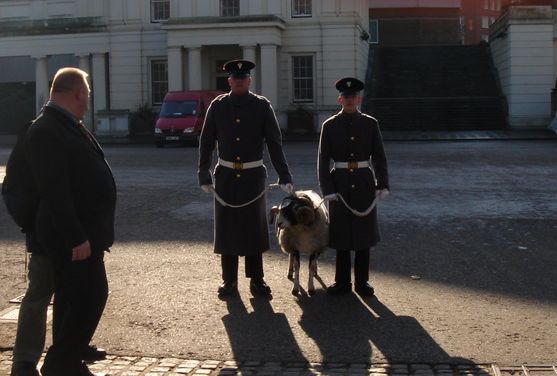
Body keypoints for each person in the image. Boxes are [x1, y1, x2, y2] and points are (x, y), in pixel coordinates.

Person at [22, 67, 116, 376]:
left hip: (86, 233)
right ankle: (60, 362)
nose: (88, 101)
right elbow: (54, 192)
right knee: (90, 297)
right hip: (72, 237)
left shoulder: (67, 125)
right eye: (87, 94)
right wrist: (76, 236)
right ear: (78, 93)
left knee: (72, 299)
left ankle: (67, 360)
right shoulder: (47, 129)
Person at [198, 59, 293, 298]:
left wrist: (284, 174)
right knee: (227, 228)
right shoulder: (218, 107)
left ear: (249, 80)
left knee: (254, 229)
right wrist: (203, 173)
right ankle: (229, 281)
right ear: (229, 80)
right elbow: (207, 142)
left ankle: (257, 280)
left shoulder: (262, 106)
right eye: (235, 78)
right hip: (226, 175)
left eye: (243, 78)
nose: (239, 81)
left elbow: (274, 142)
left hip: (252, 175)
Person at [317, 77, 389, 297]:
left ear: (359, 99)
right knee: (341, 235)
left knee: (363, 234)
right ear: (340, 99)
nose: (349, 100)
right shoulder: (329, 126)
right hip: (339, 182)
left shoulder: (370, 123)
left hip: (364, 182)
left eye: (353, 97)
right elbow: (322, 161)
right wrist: (327, 189)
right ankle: (342, 282)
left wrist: (382, 184)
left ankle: (362, 282)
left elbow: (379, 157)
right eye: (346, 97)